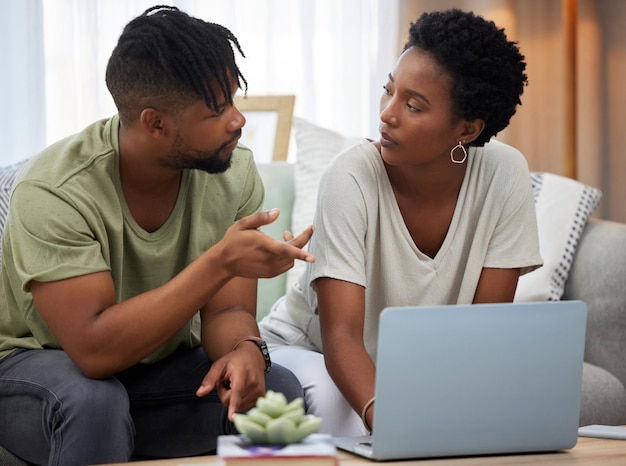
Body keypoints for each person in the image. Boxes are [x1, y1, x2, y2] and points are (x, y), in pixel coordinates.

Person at [0, 6, 315, 465]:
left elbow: (227, 309)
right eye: (217, 109)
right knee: (93, 402)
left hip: (152, 376)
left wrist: (245, 349)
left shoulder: (233, 173)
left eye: (233, 98)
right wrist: (221, 261)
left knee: (277, 394)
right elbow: (93, 350)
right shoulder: (56, 192)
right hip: (40, 372)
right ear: (155, 124)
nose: (238, 120)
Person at [259, 8, 543, 437]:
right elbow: (341, 340)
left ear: (466, 129)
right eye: (388, 92)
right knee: (344, 410)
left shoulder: (504, 175)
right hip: (306, 349)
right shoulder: (350, 176)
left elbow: (483, 336)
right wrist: (395, 424)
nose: (387, 114)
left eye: (413, 105)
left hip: (406, 369)